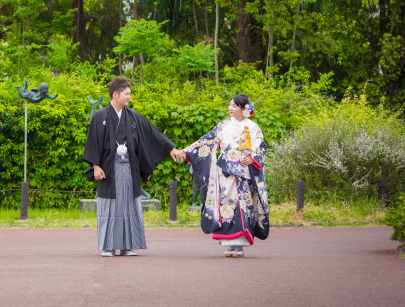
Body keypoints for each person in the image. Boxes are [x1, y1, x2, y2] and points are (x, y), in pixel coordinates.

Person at [82, 77, 185, 257]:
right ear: (116, 94)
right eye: (127, 93)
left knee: (129, 205)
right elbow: (93, 142)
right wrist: (96, 166)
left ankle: (127, 245)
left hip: (129, 168)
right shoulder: (100, 116)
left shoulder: (133, 116)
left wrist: (171, 149)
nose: (129, 97)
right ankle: (108, 246)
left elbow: (152, 133)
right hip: (108, 169)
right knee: (109, 206)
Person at [177, 94, 270, 257]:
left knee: (243, 206)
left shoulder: (253, 127)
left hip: (244, 172)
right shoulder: (223, 126)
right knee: (227, 205)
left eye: (234, 106)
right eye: (230, 105)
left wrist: (252, 159)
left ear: (244, 108)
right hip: (226, 172)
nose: (230, 108)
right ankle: (229, 243)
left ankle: (239, 245)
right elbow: (205, 141)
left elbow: (261, 147)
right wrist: (186, 151)